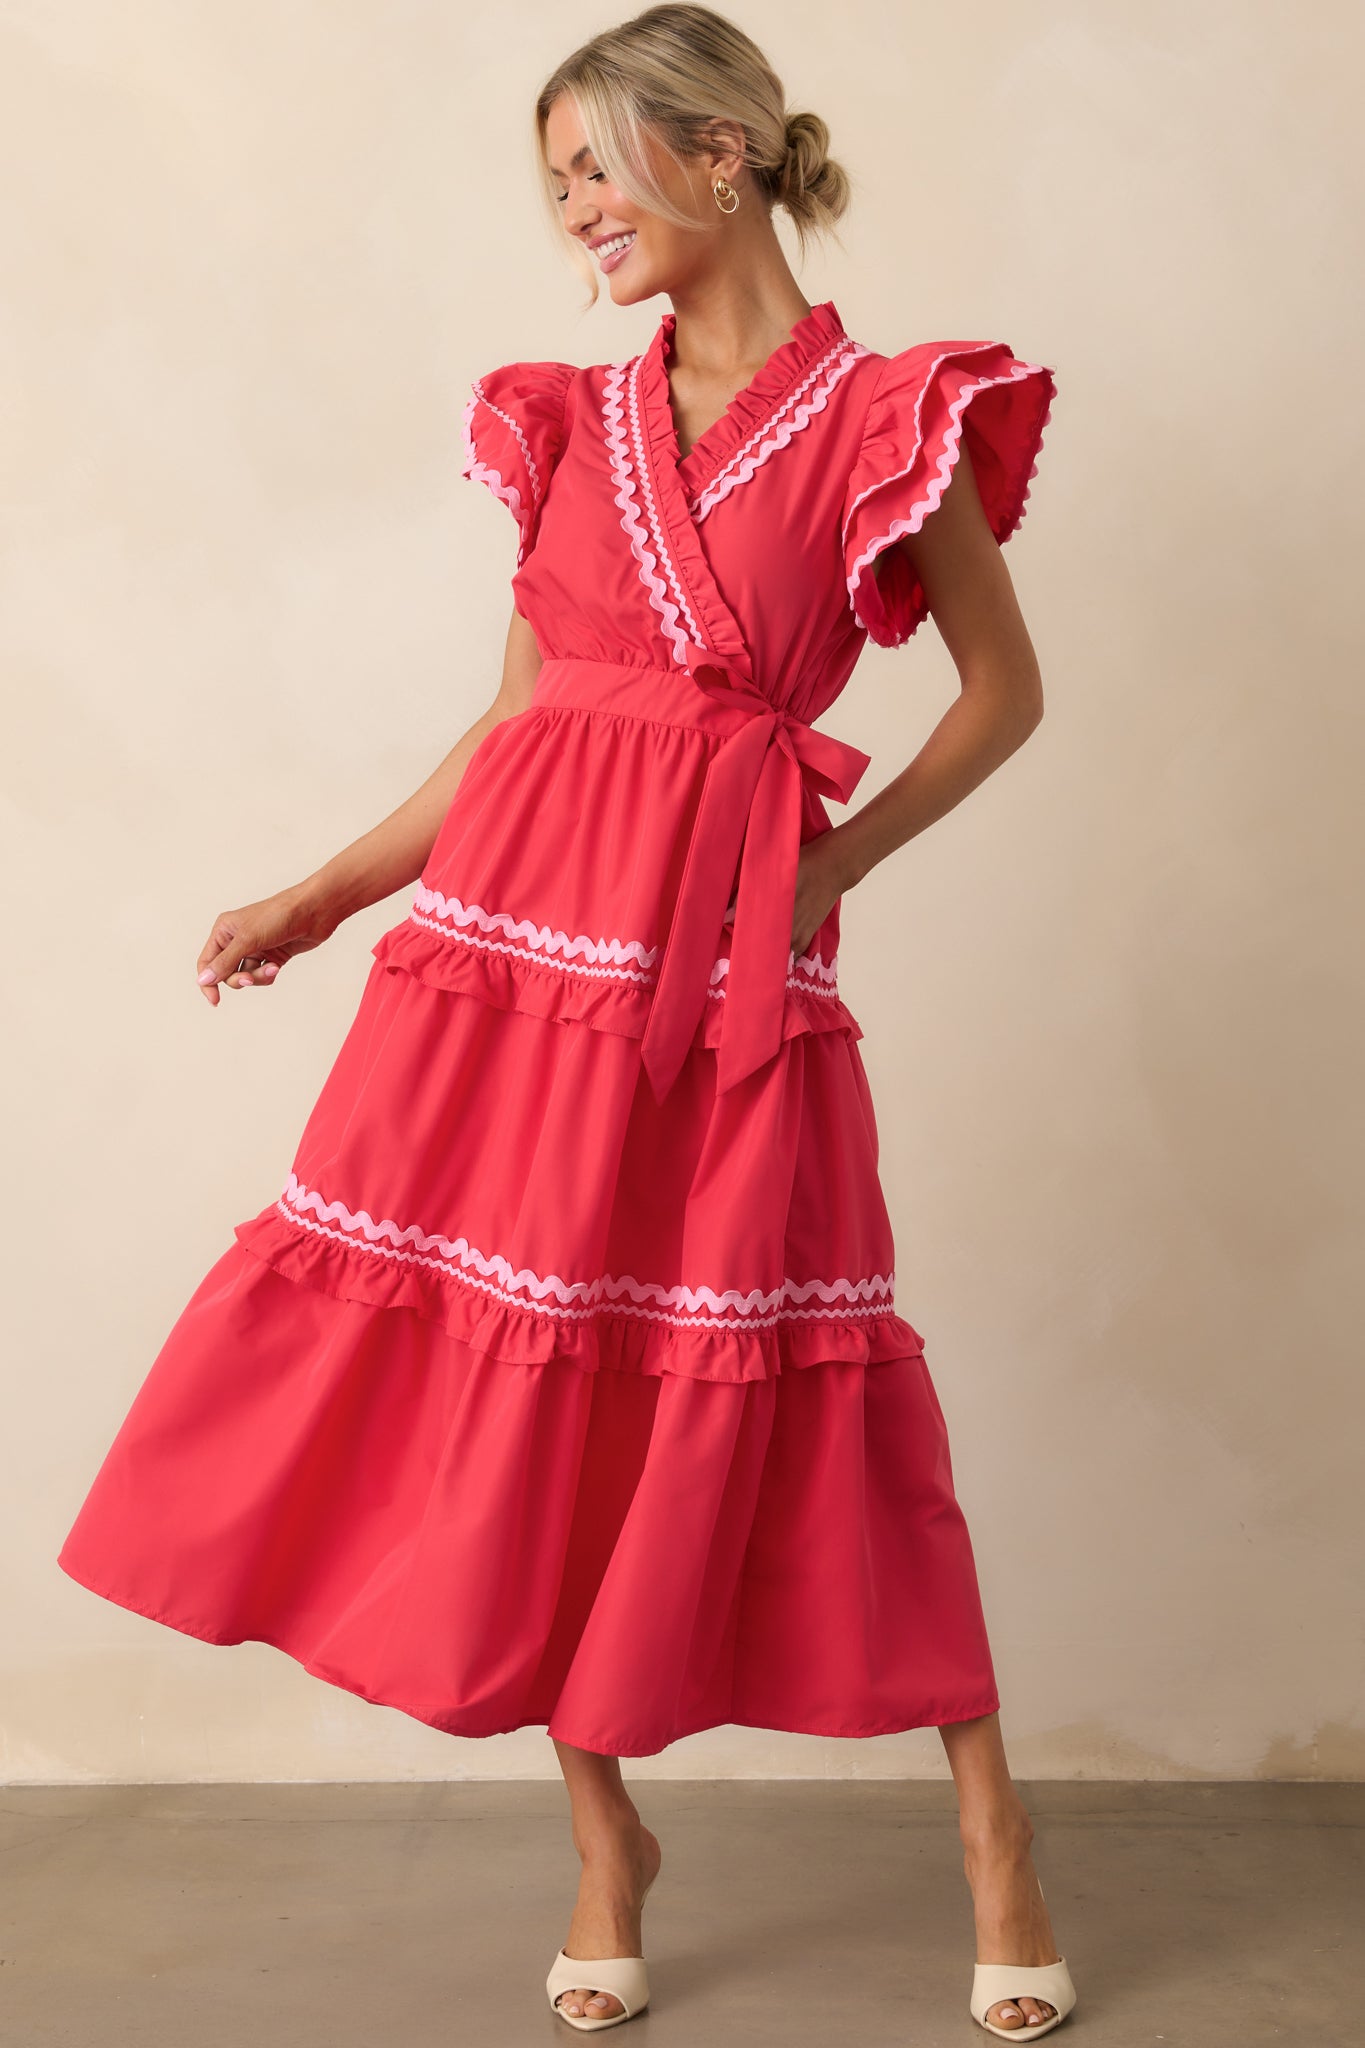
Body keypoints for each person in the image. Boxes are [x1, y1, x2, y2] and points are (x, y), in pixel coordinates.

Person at [57, 3, 1074, 2038]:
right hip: (508, 970)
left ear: (719, 157)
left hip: (717, 978)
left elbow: (1000, 695)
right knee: (524, 1388)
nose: (571, 219)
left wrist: (826, 876)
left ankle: (992, 1841)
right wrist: (320, 892)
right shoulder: (561, 421)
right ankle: (606, 1839)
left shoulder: (888, 417)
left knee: (813, 1375)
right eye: (550, 191)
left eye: (593, 173)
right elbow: (515, 722)